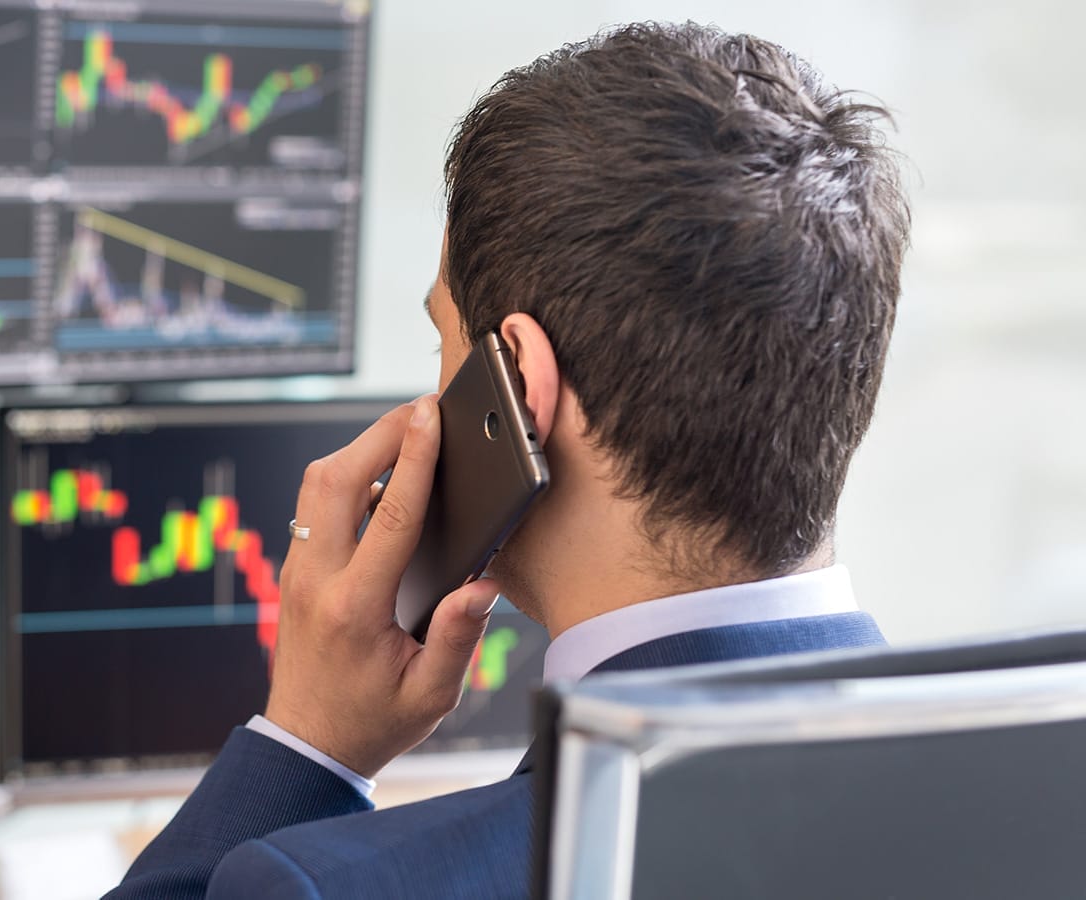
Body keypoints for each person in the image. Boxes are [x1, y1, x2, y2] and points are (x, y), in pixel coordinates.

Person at [110, 20, 910, 898]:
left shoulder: (331, 886)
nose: (431, 400)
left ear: (519, 386)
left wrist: (307, 742)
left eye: (443, 342)